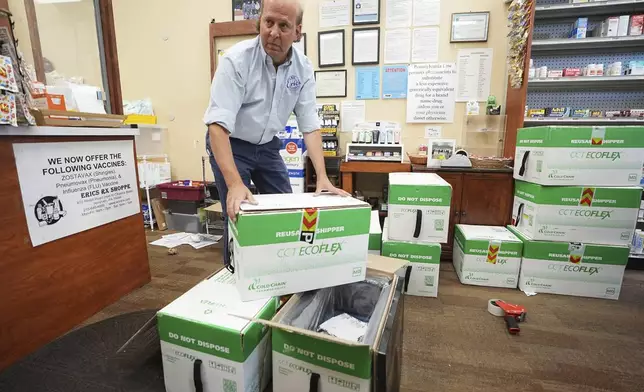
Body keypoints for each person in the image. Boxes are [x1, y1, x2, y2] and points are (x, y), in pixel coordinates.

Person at [204, 0, 349, 268]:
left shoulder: (303, 68)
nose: (273, 32)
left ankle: (283, 268)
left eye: (284, 26)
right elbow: (217, 126)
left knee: (287, 207)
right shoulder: (236, 61)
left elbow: (310, 125)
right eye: (268, 22)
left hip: (268, 145)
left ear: (297, 32)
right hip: (230, 143)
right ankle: (237, 273)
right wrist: (236, 183)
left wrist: (323, 178)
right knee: (238, 211)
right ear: (260, 21)